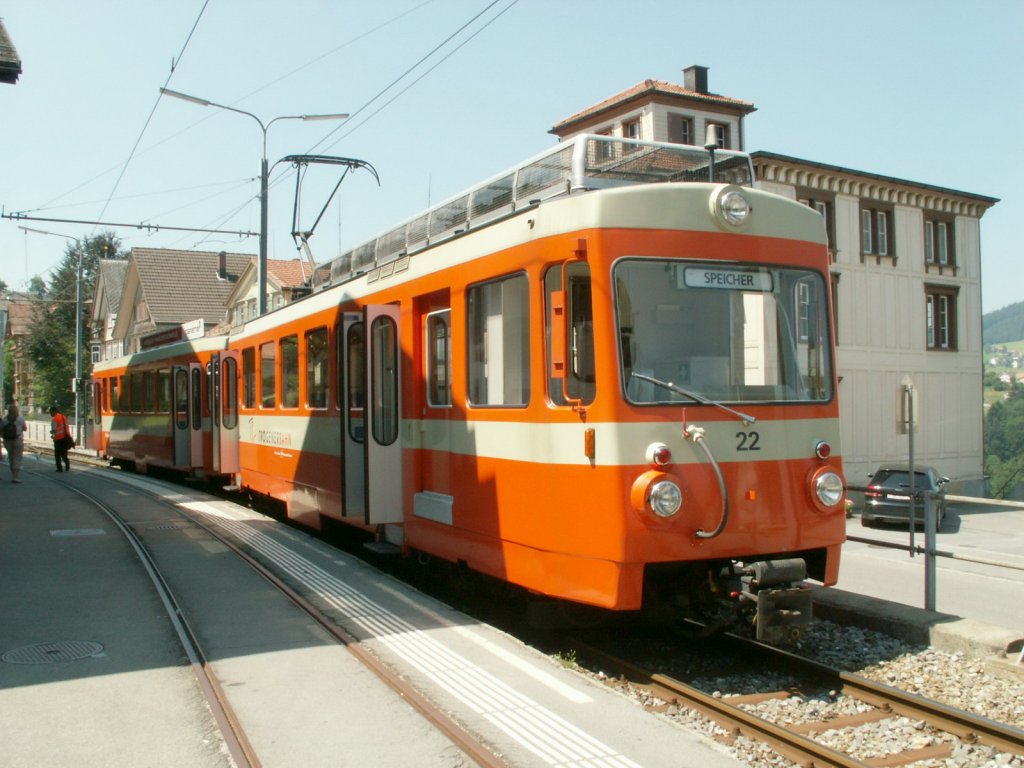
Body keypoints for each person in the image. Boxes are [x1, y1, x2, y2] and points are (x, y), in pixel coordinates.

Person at [2, 403, 27, 483]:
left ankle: (13, 474)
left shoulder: (5, 419)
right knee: (17, 457)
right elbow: (25, 428)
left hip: (7, 441)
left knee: (11, 457)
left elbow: (1, 429)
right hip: (18, 439)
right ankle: (15, 477)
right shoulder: (20, 418)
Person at [50, 405, 71, 472]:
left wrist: (52, 433)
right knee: (64, 453)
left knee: (57, 455)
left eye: (51, 412)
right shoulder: (63, 417)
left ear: (54, 411)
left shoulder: (54, 419)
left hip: (58, 439)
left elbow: (54, 430)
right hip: (65, 438)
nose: (50, 414)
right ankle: (67, 465)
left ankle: (59, 468)